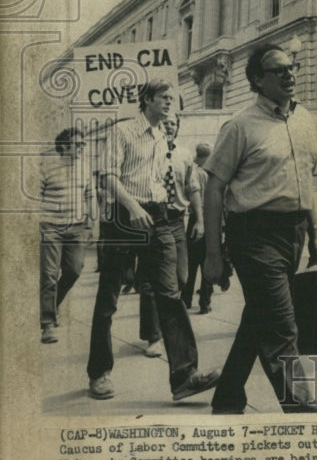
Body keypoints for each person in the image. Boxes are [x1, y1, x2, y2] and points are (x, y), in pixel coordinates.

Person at [203, 45, 317, 414]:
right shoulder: (240, 126)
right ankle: (303, 412)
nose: (290, 75)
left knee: (261, 317)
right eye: (279, 71)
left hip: (294, 232)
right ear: (258, 80)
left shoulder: (304, 118)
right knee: (281, 328)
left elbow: (307, 179)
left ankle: (227, 398)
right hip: (254, 235)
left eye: (292, 67)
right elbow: (214, 188)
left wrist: (316, 236)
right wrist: (212, 254)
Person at [86, 79, 220, 402]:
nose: (169, 103)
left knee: (169, 293)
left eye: (171, 99)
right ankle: (99, 373)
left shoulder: (164, 136)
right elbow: (107, 174)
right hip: (123, 218)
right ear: (147, 100)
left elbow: (162, 180)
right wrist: (131, 206)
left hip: (158, 218)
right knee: (109, 298)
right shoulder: (123, 132)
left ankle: (185, 376)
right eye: (164, 98)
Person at [139, 114, 204, 355]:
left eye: (173, 123)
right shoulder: (145, 153)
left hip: (176, 220)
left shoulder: (184, 154)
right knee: (150, 280)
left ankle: (165, 327)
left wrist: (199, 220)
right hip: (152, 219)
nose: (169, 126)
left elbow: (193, 187)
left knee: (181, 277)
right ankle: (154, 337)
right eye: (164, 122)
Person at [39, 128, 93, 344]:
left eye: (82, 144)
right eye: (77, 144)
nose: (81, 148)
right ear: (63, 146)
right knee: (50, 275)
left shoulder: (85, 167)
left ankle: (51, 305)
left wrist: (91, 223)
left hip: (76, 228)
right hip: (51, 228)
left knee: (74, 270)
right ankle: (48, 324)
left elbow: (90, 195)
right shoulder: (46, 167)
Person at [182, 143, 213, 313]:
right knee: (207, 263)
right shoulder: (213, 174)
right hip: (211, 219)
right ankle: (205, 302)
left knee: (191, 263)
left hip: (195, 218)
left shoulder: (195, 173)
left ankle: (186, 300)